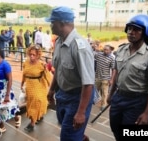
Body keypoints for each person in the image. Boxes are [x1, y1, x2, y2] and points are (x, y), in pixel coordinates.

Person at [107, 14, 148, 141]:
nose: (131, 32)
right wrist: (111, 94)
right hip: (119, 97)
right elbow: (117, 73)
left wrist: (147, 113)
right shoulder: (121, 50)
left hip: (137, 101)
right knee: (115, 127)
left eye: (136, 29)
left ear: (146, 32)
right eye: (129, 28)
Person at [45, 6, 95, 141]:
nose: (50, 25)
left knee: (68, 136)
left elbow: (88, 83)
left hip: (78, 97)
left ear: (62, 23)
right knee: (67, 127)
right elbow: (58, 69)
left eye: (52, 22)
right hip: (63, 94)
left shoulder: (79, 47)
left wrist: (81, 112)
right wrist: (51, 90)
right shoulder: (59, 42)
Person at [0, 47, 21, 132]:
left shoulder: (5, 64)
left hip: (4, 89)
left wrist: (7, 95)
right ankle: (2, 127)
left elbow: (10, 79)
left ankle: (17, 118)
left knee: (8, 107)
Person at [21, 45, 51, 132]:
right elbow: (24, 74)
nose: (32, 56)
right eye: (30, 54)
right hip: (29, 86)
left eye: (34, 55)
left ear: (38, 55)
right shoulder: (26, 62)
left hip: (38, 85)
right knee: (31, 103)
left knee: (36, 102)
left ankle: (32, 123)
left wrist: (50, 87)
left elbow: (47, 75)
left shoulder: (41, 64)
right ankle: (39, 116)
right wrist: (22, 83)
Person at [95, 45, 115, 111]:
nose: (105, 51)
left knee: (104, 93)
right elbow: (92, 55)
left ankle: (103, 105)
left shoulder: (112, 58)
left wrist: (111, 79)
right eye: (104, 49)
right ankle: (93, 101)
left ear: (110, 50)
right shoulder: (99, 55)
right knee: (95, 91)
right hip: (97, 77)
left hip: (106, 79)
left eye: (106, 50)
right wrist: (95, 48)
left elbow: (113, 69)